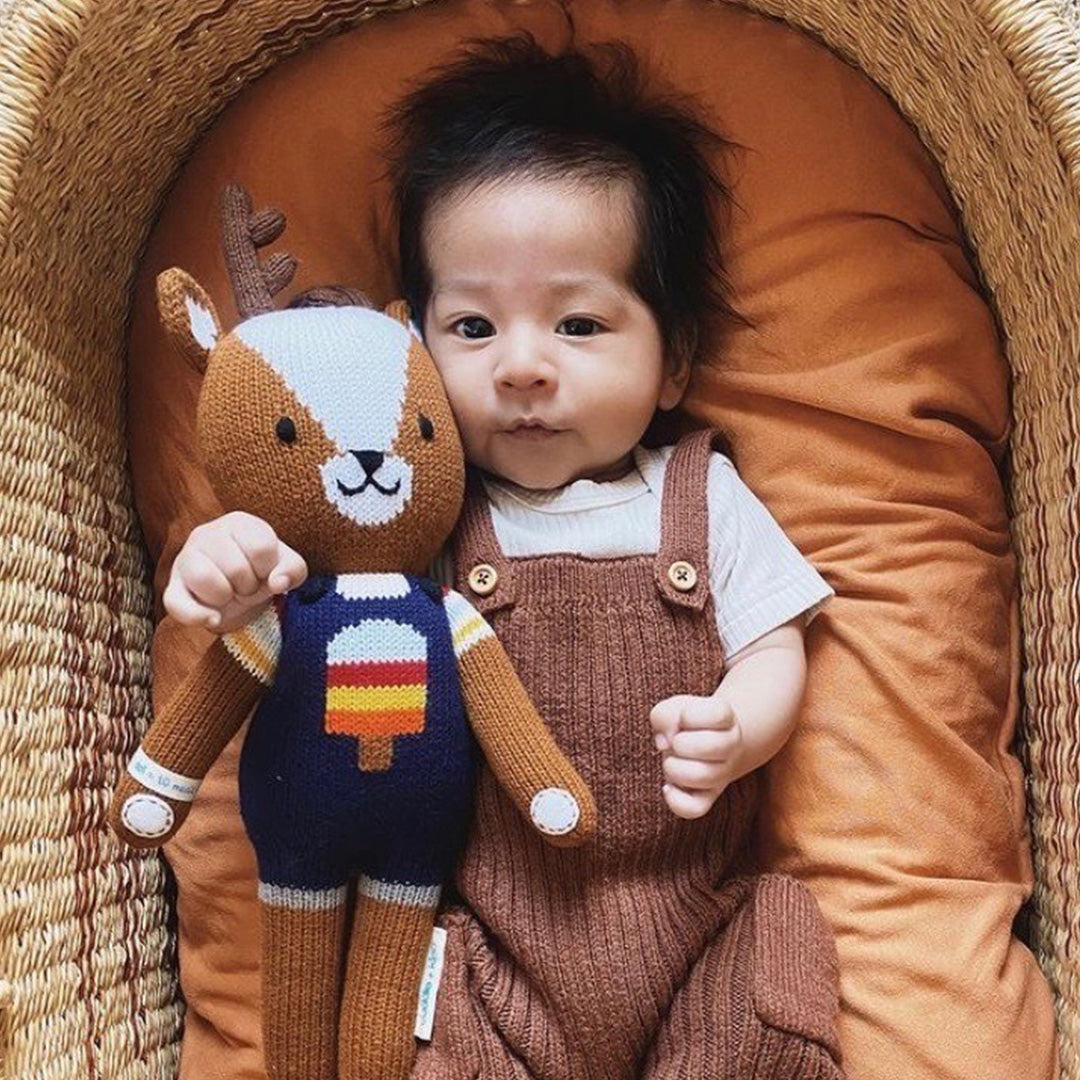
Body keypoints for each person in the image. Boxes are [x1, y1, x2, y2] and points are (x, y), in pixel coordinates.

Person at [164, 34, 842, 1080]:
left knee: (775, 993)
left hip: (697, 923)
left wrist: (741, 726)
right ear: (414, 347)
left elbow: (774, 639)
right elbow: (304, 584)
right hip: (489, 945)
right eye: (473, 326)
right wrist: (228, 559)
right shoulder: (420, 512)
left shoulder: (702, 495)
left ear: (674, 364)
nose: (522, 367)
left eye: (577, 323)